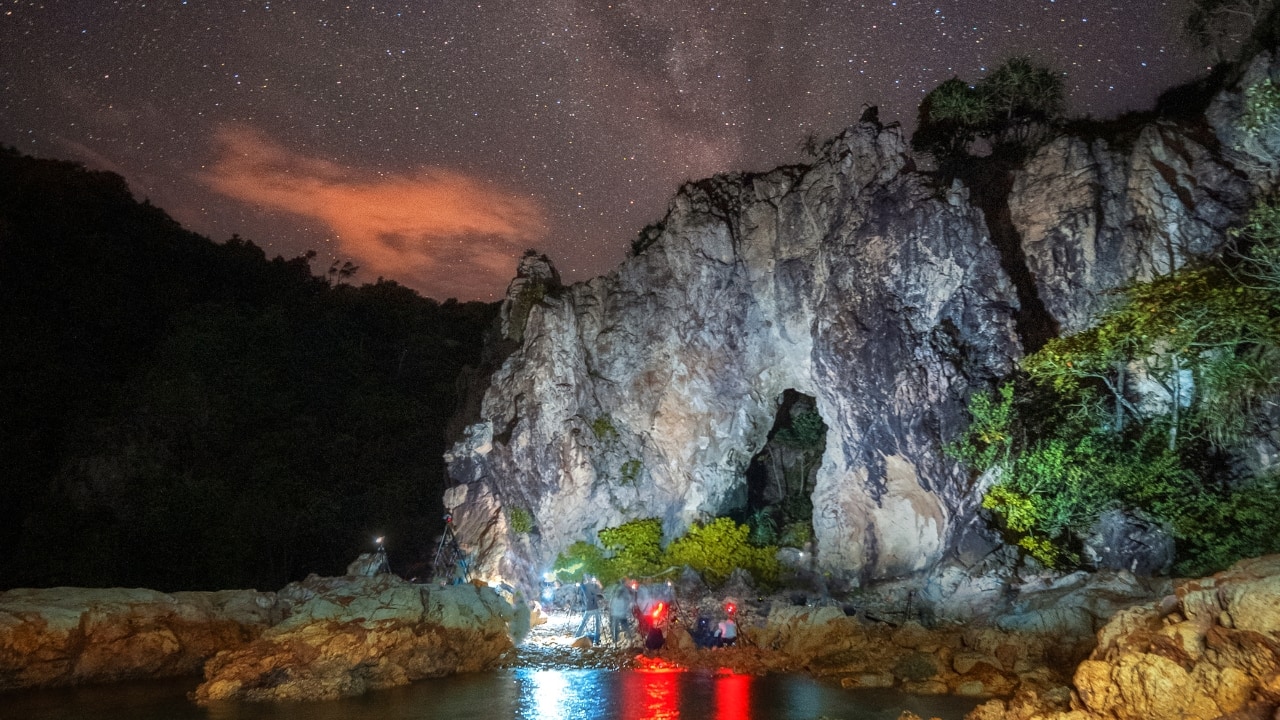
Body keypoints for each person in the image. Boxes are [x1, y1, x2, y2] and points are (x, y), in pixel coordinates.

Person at [575, 577, 603, 643]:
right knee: (597, 625)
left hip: (589, 608)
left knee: (583, 623)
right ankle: (596, 640)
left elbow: (579, 585)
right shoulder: (594, 586)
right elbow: (600, 593)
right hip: (595, 607)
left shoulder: (584, 586)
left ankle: (577, 637)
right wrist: (598, 583)